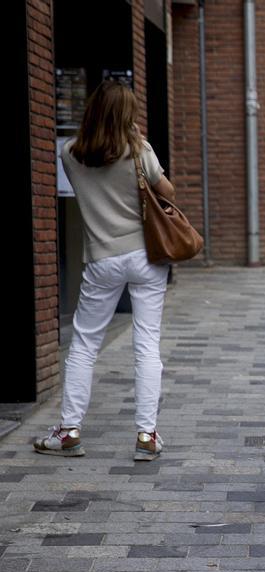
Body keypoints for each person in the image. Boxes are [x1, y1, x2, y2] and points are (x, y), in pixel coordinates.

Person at [35, 81, 175, 461]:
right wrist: (139, 141)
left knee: (83, 346)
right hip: (146, 257)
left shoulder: (69, 153)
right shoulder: (140, 152)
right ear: (128, 116)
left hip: (101, 259)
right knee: (147, 345)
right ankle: (147, 436)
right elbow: (168, 192)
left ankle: (68, 431)